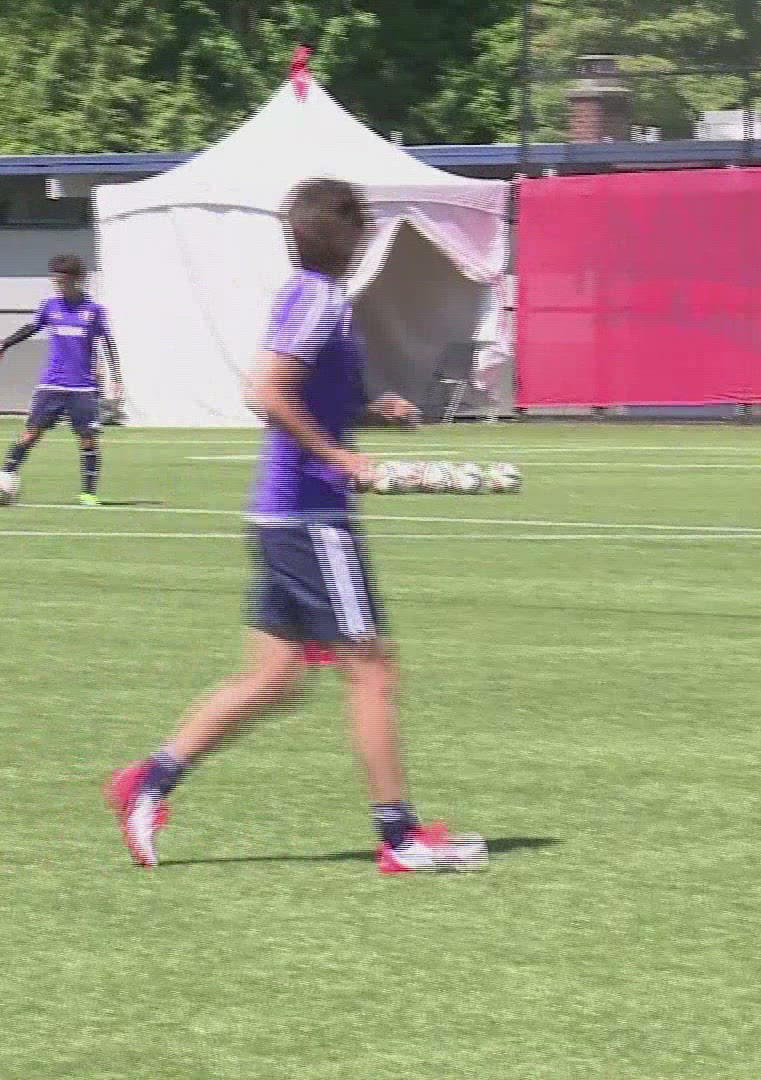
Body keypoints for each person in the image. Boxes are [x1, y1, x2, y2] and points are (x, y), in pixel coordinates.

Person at [104, 178, 487, 873]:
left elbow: (301, 394)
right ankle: (399, 838)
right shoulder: (319, 299)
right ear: (353, 235)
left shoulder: (312, 298)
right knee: (370, 667)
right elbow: (269, 392)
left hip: (283, 514)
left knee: (275, 676)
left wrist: (370, 413)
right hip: (312, 516)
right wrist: (336, 456)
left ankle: (148, 781)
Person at [0, 254, 121, 505]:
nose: (58, 284)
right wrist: (4, 345)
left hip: (83, 387)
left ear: (77, 279)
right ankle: (4, 476)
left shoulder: (93, 311)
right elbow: (31, 328)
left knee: (88, 440)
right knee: (31, 434)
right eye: (55, 280)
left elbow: (107, 343)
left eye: (63, 280)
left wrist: (116, 377)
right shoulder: (49, 306)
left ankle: (88, 493)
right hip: (52, 383)